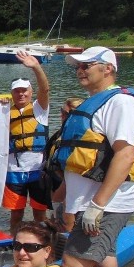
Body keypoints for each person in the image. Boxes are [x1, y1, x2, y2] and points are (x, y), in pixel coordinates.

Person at [52, 47, 134, 267]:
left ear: (108, 69)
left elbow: (124, 154)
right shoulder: (94, 103)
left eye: (86, 66)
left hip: (105, 206)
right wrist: (63, 199)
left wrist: (97, 205)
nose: (80, 71)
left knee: (75, 265)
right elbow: (78, 160)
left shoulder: (120, 102)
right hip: (89, 205)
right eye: (77, 67)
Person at [1, 49, 51, 234]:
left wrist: (36, 67)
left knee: (40, 214)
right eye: (17, 91)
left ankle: (44, 243)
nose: (21, 94)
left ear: (31, 92)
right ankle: (15, 241)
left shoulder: (40, 109)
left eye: (24, 90)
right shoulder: (4, 110)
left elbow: (45, 89)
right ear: (12, 93)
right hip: (14, 171)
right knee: (16, 214)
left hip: (37, 171)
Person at [44, 97, 84, 231]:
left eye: (68, 113)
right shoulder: (60, 134)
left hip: (70, 182)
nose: (63, 115)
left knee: (68, 218)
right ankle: (57, 240)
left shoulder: (81, 135)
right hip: (55, 182)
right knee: (55, 219)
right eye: (62, 111)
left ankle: (69, 242)